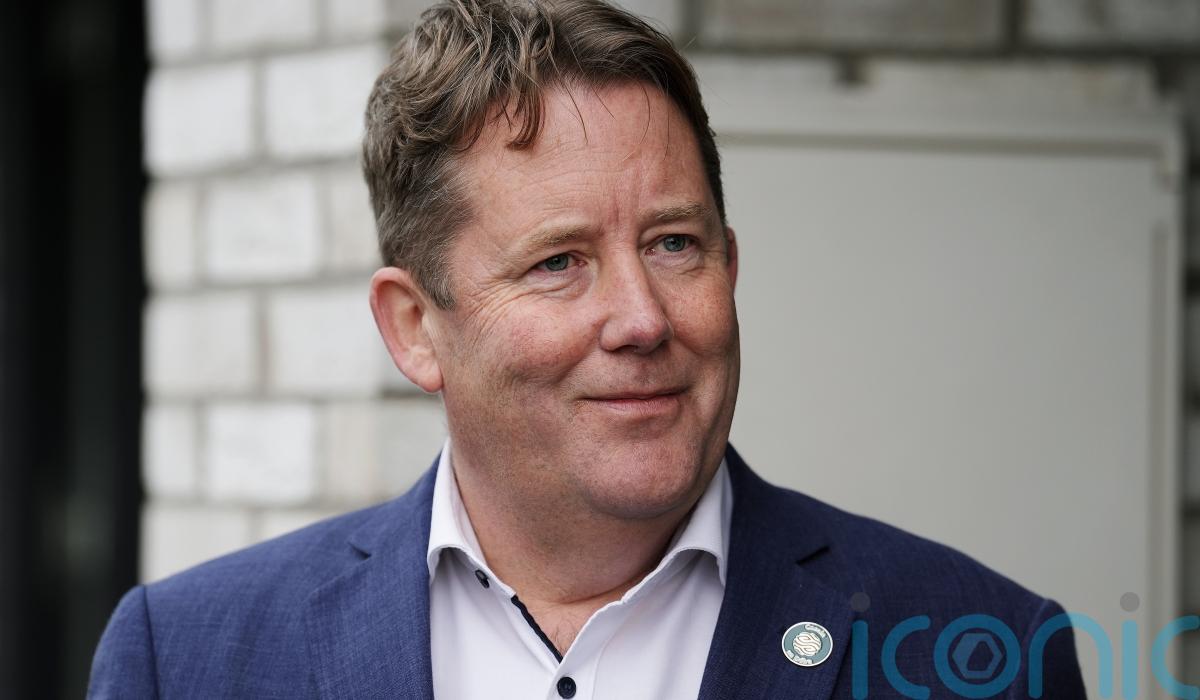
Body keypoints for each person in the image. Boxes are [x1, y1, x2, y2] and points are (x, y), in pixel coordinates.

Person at [88, 1, 1087, 697]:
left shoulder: (979, 651)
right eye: (559, 262)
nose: (643, 319)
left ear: (730, 265)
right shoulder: (188, 660)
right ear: (415, 328)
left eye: (674, 244)